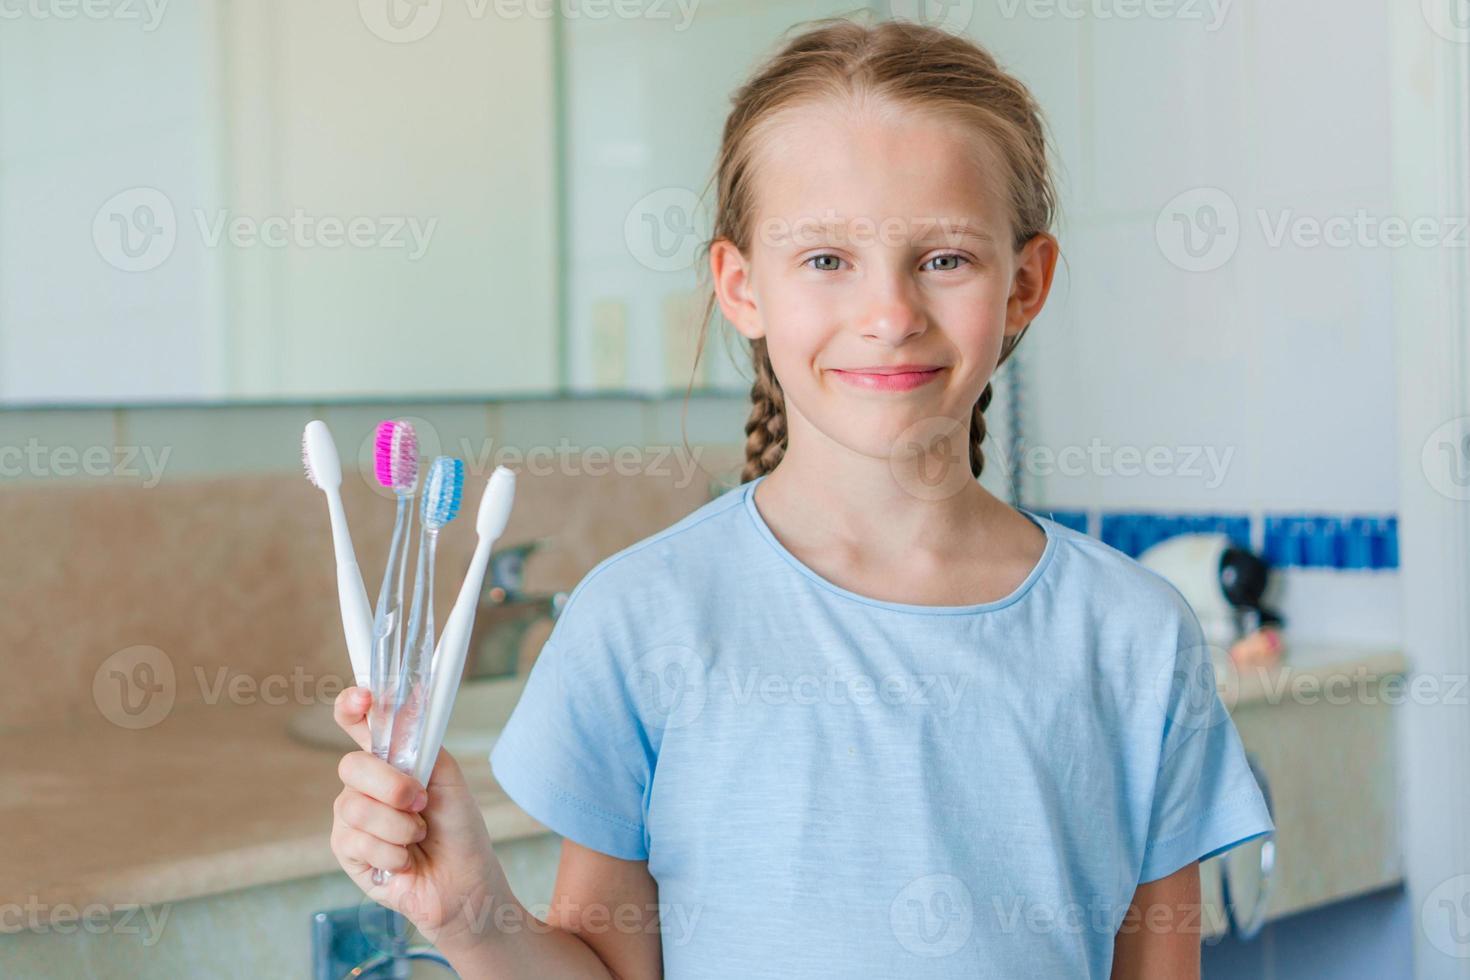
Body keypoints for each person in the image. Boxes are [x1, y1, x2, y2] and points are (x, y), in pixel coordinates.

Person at [329, 16, 1273, 978]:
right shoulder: (646, 619)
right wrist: (471, 916)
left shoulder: (1135, 638)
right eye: (826, 260)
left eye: (944, 258)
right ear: (742, 287)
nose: (890, 315)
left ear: (1025, 284)